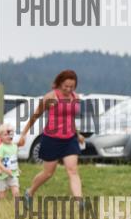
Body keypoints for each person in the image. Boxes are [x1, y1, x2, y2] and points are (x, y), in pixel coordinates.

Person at [18, 70, 85, 209]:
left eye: (72, 87)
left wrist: (77, 134)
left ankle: (80, 202)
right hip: (52, 139)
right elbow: (35, 115)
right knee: (48, 173)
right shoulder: (50, 97)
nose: (69, 89)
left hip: (70, 138)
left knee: (73, 170)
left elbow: (71, 118)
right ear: (60, 83)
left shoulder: (75, 97)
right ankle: (30, 192)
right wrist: (24, 134)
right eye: (66, 86)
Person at [0, 123, 21, 201]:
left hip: (13, 173)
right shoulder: (1, 148)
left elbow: (14, 159)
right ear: (0, 137)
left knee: (16, 191)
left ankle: (16, 206)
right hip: (2, 175)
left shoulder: (15, 146)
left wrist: (17, 168)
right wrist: (4, 170)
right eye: (6, 134)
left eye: (10, 134)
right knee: (1, 196)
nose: (8, 136)